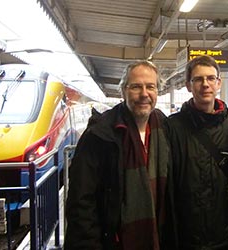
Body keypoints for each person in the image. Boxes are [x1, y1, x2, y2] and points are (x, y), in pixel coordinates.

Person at [64, 60, 175, 249]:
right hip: (114, 242)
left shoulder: (166, 129)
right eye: (136, 87)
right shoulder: (99, 135)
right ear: (123, 91)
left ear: (158, 91)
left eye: (150, 87)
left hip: (160, 238)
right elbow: (81, 201)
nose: (144, 94)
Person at [166, 55, 228, 249]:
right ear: (188, 86)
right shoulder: (173, 126)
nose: (205, 84)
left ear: (218, 83)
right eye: (198, 79)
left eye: (210, 78)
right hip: (186, 234)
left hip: (224, 232)